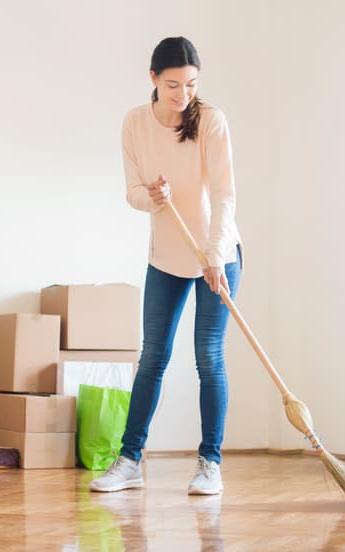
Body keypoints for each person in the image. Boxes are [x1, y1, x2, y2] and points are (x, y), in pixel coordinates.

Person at [90, 36, 243, 495]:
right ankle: (130, 459)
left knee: (208, 358)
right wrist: (152, 197)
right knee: (153, 358)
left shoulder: (211, 122)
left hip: (218, 256)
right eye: (173, 85)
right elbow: (132, 191)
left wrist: (216, 256)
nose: (183, 95)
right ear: (153, 79)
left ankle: (209, 463)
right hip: (167, 258)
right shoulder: (135, 124)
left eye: (191, 85)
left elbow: (223, 195)